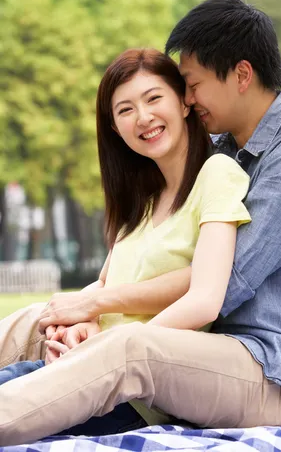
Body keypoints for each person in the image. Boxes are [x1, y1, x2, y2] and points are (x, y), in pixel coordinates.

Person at [0, 0, 281, 445]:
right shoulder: (219, 153)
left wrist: (101, 316)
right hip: (203, 352)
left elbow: (224, 283)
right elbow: (158, 259)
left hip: (277, 372)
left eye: (192, 84)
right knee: (41, 318)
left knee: (128, 348)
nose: (187, 99)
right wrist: (88, 311)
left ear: (242, 75)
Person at [0, 47, 251, 436]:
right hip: (82, 368)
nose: (144, 117)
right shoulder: (142, 202)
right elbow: (105, 288)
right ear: (115, 129)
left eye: (154, 99)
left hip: (133, 393)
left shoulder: (216, 174)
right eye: (125, 110)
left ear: (183, 103)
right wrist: (80, 329)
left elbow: (204, 301)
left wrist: (106, 349)